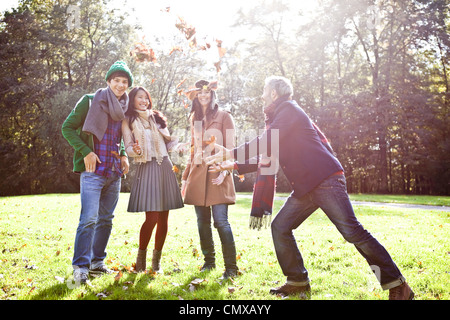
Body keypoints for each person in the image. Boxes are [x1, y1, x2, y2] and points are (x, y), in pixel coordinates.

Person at [206, 76, 414, 300]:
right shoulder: (280, 118)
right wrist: (234, 164)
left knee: (352, 232)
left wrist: (231, 152)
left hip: (325, 180)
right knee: (281, 227)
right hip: (307, 187)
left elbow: (267, 140)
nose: (262, 96)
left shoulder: (289, 110)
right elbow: (270, 153)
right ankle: (297, 280)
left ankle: (398, 285)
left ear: (274, 93)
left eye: (264, 91)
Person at [62, 61, 133, 284]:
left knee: (106, 220)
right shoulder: (90, 100)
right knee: (88, 219)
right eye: (117, 80)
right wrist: (86, 151)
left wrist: (123, 154)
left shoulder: (124, 108)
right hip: (93, 171)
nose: (120, 85)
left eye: (125, 82)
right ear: (108, 81)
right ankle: (81, 267)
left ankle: (97, 263)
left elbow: (118, 138)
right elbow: (67, 128)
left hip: (113, 173)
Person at [122, 86, 184, 273]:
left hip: (164, 165)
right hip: (147, 167)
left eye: (146, 98)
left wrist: (180, 144)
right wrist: (136, 150)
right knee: (152, 217)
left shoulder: (156, 117)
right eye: (140, 97)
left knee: (164, 216)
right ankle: (141, 260)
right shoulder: (128, 119)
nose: (144, 101)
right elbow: (128, 146)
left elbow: (170, 143)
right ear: (132, 100)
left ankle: (156, 263)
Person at [181, 79, 238, 279]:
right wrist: (186, 176)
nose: (203, 95)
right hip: (197, 175)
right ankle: (209, 263)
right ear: (196, 96)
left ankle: (231, 268)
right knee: (202, 222)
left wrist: (225, 171)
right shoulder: (194, 118)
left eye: (207, 92)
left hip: (217, 172)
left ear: (212, 94)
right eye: (200, 93)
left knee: (221, 221)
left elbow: (231, 149)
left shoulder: (224, 117)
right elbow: (193, 149)